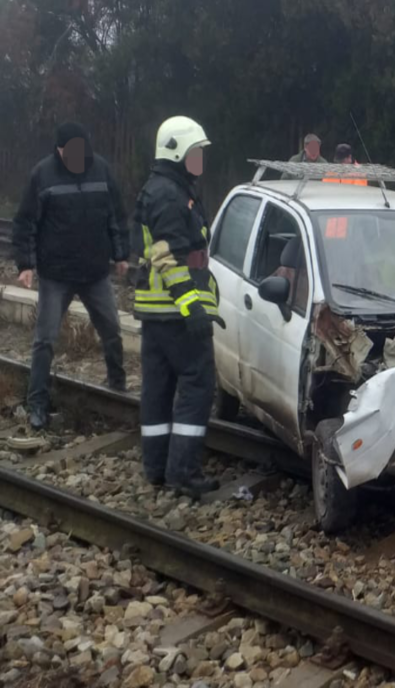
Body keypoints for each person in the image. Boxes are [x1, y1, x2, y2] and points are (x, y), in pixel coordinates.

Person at [13, 122, 130, 430]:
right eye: (69, 152)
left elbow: (116, 215)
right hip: (56, 274)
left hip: (94, 272)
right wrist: (25, 265)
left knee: (113, 331)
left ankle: (118, 387)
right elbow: (26, 223)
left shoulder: (102, 170)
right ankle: (37, 403)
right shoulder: (42, 174)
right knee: (45, 340)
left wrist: (121, 254)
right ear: (60, 150)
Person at [133, 116, 225, 498]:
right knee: (197, 385)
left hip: (157, 312)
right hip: (175, 312)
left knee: (158, 387)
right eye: (195, 153)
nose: (200, 160)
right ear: (176, 153)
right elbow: (168, 258)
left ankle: (156, 466)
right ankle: (183, 471)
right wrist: (193, 309)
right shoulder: (171, 196)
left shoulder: (163, 189)